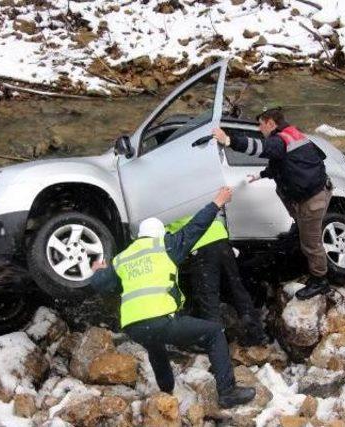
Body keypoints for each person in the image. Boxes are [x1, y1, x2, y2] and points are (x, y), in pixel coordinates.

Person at [89, 187, 256, 409]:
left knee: (155, 345)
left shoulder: (123, 258)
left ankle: (166, 391)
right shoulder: (166, 246)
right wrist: (217, 202)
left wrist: (98, 270)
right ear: (161, 233)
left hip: (133, 326)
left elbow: (102, 285)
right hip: (161, 319)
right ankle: (227, 391)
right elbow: (196, 226)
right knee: (214, 332)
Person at [212, 107, 332, 300]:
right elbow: (281, 162)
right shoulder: (291, 134)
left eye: (261, 124)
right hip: (310, 193)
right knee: (303, 231)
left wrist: (228, 140)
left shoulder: (278, 140)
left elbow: (260, 148)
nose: (259, 129)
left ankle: (320, 280)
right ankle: (301, 234)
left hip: (312, 199)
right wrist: (261, 174)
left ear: (271, 123)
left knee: (311, 243)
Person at [166, 215, 269, 346]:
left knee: (208, 298)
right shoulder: (190, 196)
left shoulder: (165, 208)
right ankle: (256, 333)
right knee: (236, 288)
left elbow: (164, 238)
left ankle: (216, 344)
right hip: (220, 239)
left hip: (200, 246)